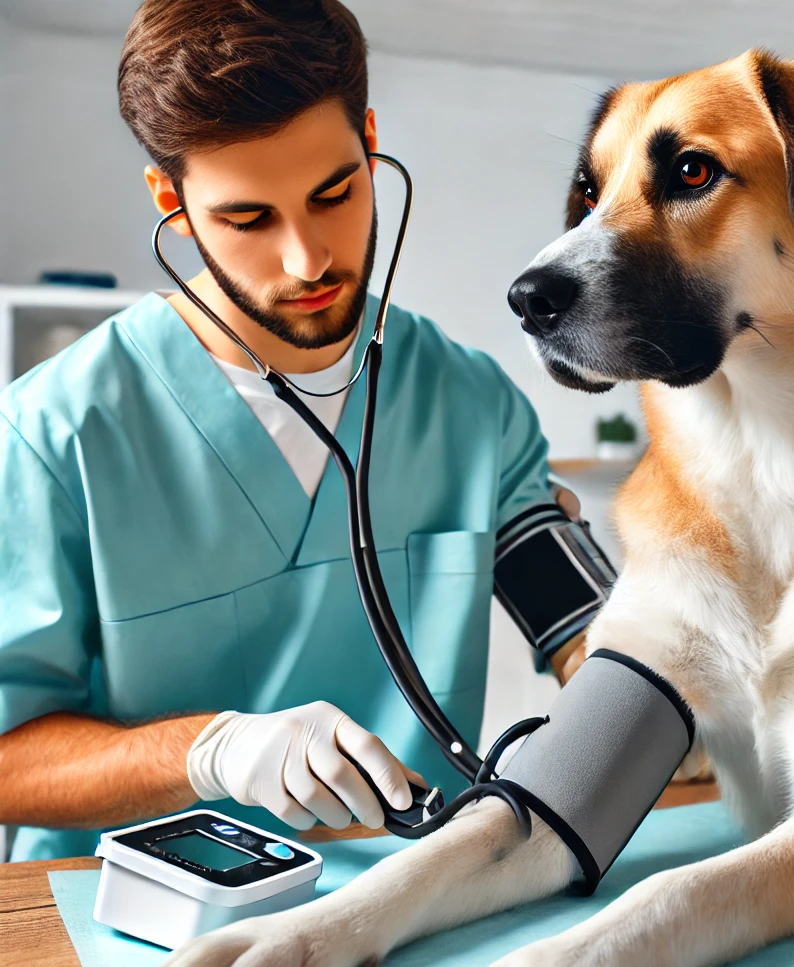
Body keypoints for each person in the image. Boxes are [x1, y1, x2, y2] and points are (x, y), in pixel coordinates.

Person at [0, 0, 593, 862]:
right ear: (171, 198)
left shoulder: (473, 404)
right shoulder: (52, 433)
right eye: (248, 219)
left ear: (370, 140)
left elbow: (587, 629)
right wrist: (211, 752)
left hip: (415, 911)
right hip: (133, 937)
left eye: (335, 192)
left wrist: (660, 689)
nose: (307, 259)